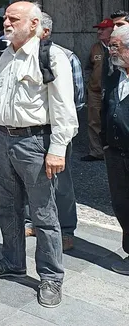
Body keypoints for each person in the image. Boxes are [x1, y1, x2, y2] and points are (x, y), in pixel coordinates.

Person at [0, 1, 78, 308]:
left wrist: (57, 149)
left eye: (13, 18)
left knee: (44, 214)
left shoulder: (51, 55)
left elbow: (64, 106)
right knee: (6, 207)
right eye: (5, 18)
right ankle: (12, 261)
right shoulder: (2, 54)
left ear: (33, 24)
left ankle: (50, 276)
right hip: (1, 138)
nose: (6, 23)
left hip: (35, 143)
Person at [22, 12, 83, 252]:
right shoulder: (19, 54)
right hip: (29, 133)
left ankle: (66, 229)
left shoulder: (66, 57)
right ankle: (33, 221)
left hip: (56, 131)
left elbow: (75, 100)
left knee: (61, 183)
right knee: (32, 180)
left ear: (44, 32)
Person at [102, 24, 129, 275]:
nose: (111, 51)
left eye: (115, 46)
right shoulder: (114, 75)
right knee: (121, 204)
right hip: (115, 151)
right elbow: (105, 109)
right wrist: (105, 142)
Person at [86, 19, 113, 161]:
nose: (99, 31)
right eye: (99, 29)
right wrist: (88, 84)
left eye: (103, 29)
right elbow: (88, 67)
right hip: (95, 91)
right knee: (93, 121)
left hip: (113, 92)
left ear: (112, 30)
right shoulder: (95, 47)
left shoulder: (119, 46)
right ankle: (96, 151)